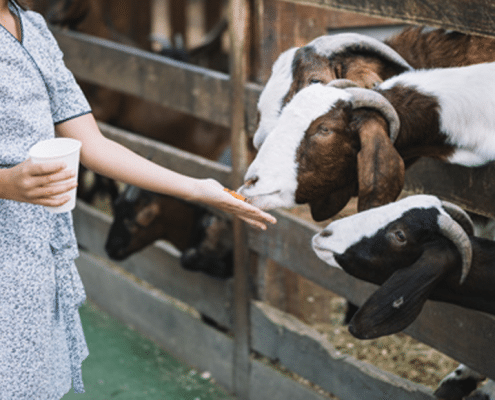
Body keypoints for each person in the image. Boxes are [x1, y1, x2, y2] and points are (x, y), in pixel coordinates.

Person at [0, 0, 277, 398]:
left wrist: (197, 188)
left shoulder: (35, 29)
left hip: (39, 256)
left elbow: (90, 141)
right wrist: (6, 184)